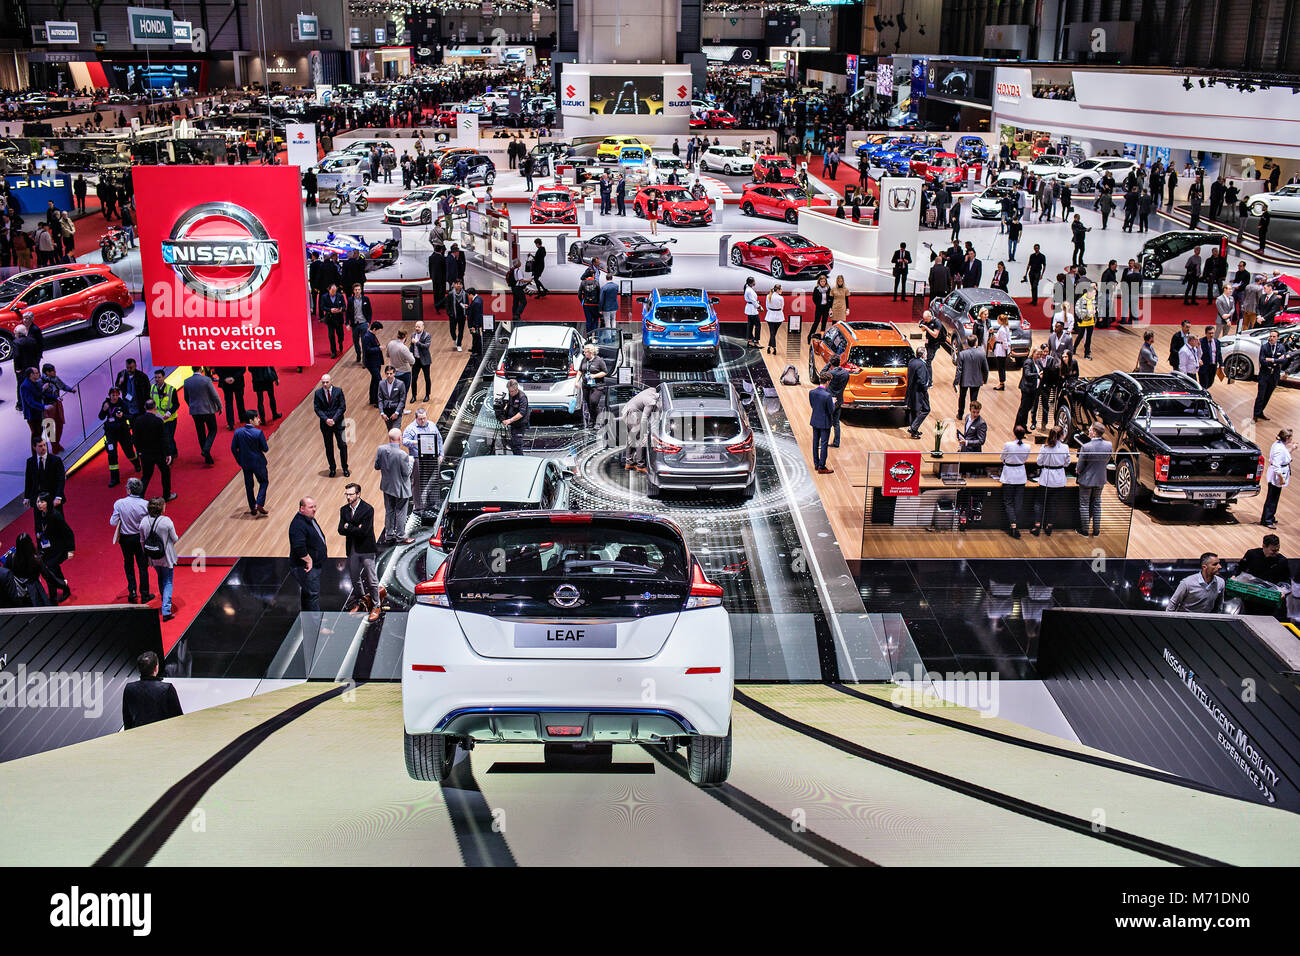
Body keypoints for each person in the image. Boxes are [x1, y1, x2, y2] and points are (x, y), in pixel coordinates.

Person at [339, 482, 382, 621]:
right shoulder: (343, 510)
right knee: (354, 578)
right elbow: (340, 529)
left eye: (351, 494)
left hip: (366, 548)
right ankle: (362, 600)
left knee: (372, 579)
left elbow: (364, 532)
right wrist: (354, 527)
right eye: (347, 494)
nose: (348, 497)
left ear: (358, 494)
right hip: (352, 549)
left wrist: (348, 526)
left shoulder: (368, 509)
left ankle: (376, 605)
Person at [110, 476, 152, 604]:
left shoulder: (119, 503)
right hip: (140, 538)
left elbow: (113, 522)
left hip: (125, 539)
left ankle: (132, 591)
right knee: (143, 566)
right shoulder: (146, 504)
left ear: (128, 490)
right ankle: (145, 594)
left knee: (128, 564)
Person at [121, 651, 184, 730]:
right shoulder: (167, 688)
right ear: (156, 668)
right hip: (162, 736)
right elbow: (178, 719)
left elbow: (127, 720)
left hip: (138, 737)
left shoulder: (129, 688)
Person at [139, 496, 178, 621]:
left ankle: (164, 598)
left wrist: (147, 553)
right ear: (161, 508)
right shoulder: (166, 521)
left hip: (153, 556)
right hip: (166, 556)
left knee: (160, 577)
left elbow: (142, 540)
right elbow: (175, 538)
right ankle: (166, 609)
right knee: (168, 580)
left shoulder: (144, 521)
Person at [374, 429, 415, 546]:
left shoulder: (381, 449)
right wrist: (411, 462)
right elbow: (406, 473)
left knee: (389, 510)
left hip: (387, 486)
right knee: (401, 512)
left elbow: (377, 466)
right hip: (400, 489)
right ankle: (401, 537)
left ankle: (389, 535)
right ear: (400, 438)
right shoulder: (402, 455)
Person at [288, 497, 328, 612]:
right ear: (302, 509)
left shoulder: (308, 519)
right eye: (311, 507)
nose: (314, 509)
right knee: (312, 595)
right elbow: (298, 546)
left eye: (315, 506)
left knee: (307, 595)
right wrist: (308, 560)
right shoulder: (298, 525)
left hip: (313, 565)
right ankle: (315, 628)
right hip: (305, 567)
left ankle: (309, 622)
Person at [1075, 422, 1113, 537]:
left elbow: (1079, 467)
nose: (1089, 431)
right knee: (1097, 504)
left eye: (1091, 429)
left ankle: (1085, 531)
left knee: (1084, 505)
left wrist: (1078, 471)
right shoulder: (1109, 445)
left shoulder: (1086, 447)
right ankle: (1096, 531)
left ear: (1095, 433)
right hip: (1100, 479)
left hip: (1086, 480)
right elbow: (1107, 460)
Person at [133, 399, 176, 501]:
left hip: (145, 453)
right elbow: (164, 438)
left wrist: (139, 451)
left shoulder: (138, 420)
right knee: (165, 472)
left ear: (145, 408)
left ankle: (140, 496)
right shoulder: (158, 421)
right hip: (159, 453)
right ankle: (167, 495)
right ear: (155, 407)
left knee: (146, 475)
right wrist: (168, 453)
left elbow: (135, 438)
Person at [34, 493, 73, 603]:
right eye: (37, 502)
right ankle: (63, 588)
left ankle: (54, 595)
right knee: (53, 570)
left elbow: (68, 532)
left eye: (42, 502)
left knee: (50, 569)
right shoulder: (41, 514)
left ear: (48, 502)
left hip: (57, 548)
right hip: (46, 548)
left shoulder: (55, 515)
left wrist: (71, 549)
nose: (39, 504)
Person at [1031, 427, 1069, 536]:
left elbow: (1039, 462)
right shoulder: (1065, 448)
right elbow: (1067, 463)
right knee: (1053, 504)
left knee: (1039, 503)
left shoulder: (1045, 447)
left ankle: (1037, 525)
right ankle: (1049, 526)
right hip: (1059, 480)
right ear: (1061, 435)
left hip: (1046, 479)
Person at [231, 410, 269, 517]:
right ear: (251, 420)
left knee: (249, 485)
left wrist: (240, 460)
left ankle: (252, 507)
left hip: (245, 464)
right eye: (257, 418)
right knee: (264, 482)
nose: (259, 419)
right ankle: (259, 503)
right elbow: (265, 448)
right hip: (258, 463)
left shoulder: (238, 432)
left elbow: (233, 448)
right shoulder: (258, 433)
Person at [312, 374, 349, 478]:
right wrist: (326, 419)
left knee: (342, 445)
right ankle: (332, 468)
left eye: (326, 382)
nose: (324, 384)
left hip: (338, 423)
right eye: (323, 382)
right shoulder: (318, 393)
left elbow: (342, 407)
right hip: (325, 424)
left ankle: (345, 468)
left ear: (331, 381)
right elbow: (317, 408)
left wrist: (334, 419)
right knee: (329, 447)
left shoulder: (338, 391)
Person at [183, 368, 222, 465]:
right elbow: (215, 395)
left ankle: (207, 457)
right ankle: (206, 449)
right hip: (207, 410)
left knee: (201, 433)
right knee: (213, 430)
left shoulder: (187, 381)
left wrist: (192, 406)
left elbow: (186, 398)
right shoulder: (206, 380)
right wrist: (220, 406)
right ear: (201, 369)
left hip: (195, 412)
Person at [999, 425, 1031, 538]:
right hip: (1021, 476)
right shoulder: (1027, 447)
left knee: (1008, 502)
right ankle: (1015, 523)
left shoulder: (1008, 445)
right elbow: (1026, 459)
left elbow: (1001, 457)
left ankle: (1013, 524)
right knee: (1018, 502)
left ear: (1014, 434)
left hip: (1009, 476)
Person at [1260, 428, 1294, 529]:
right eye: (1291, 437)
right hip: (1277, 475)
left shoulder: (1279, 445)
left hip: (1278, 473)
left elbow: (1284, 455)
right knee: (1272, 498)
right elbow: (1276, 465)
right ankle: (1267, 520)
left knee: (1274, 497)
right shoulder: (1279, 449)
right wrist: (1281, 478)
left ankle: (1270, 516)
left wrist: (1292, 449)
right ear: (1287, 438)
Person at [1255, 329, 1289, 422]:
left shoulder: (1281, 347)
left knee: (1267, 395)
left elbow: (1285, 360)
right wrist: (1276, 361)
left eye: (1274, 336)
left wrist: (1272, 360)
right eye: (1270, 336)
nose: (1271, 338)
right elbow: (1262, 360)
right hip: (1264, 375)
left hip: (1274, 376)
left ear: (1277, 338)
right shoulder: (1264, 347)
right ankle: (1256, 415)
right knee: (1261, 395)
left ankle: (1260, 412)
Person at [621, 387, 658, 471]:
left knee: (631, 438)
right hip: (633, 414)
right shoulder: (651, 402)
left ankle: (629, 463)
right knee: (640, 439)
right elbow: (644, 418)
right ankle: (640, 465)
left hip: (626, 411)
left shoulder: (652, 390)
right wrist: (645, 434)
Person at [954, 335, 988, 420]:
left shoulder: (962, 354)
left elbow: (959, 370)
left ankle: (960, 414)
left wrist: (956, 381)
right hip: (976, 380)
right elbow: (986, 369)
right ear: (976, 342)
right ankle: (973, 416)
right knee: (974, 399)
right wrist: (985, 379)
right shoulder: (982, 354)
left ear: (968, 343)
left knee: (962, 397)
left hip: (964, 379)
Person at [809, 372, 835, 474]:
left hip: (815, 420)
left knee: (815, 442)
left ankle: (816, 464)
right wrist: (833, 402)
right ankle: (822, 466)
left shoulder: (812, 392)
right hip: (824, 423)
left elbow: (813, 405)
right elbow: (830, 410)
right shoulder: (828, 396)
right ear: (828, 381)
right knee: (824, 444)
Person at [579, 343, 608, 429]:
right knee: (588, 403)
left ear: (591, 352)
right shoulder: (584, 360)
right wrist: (577, 381)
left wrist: (594, 376)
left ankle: (598, 421)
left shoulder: (599, 361)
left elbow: (605, 372)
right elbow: (580, 371)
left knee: (593, 402)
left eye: (585, 352)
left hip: (597, 385)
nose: (584, 353)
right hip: (586, 385)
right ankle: (592, 420)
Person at [904, 348, 931, 440]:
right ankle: (913, 428)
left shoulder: (912, 361)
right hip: (919, 392)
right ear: (923, 355)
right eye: (926, 353)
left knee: (914, 410)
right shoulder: (921, 365)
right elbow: (921, 380)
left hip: (911, 390)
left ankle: (914, 431)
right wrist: (925, 389)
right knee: (926, 409)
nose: (927, 355)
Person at [1015, 345, 1044, 431]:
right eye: (1037, 354)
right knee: (1023, 410)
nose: (1039, 356)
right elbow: (1027, 374)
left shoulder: (1038, 362)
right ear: (1033, 353)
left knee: (1027, 409)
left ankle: (1023, 427)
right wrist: (1038, 375)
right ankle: (1017, 428)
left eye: (1040, 354)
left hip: (1034, 389)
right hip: (1027, 389)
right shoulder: (1028, 362)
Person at [500, 379, 530, 455]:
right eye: (509, 391)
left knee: (517, 445)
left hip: (520, 424)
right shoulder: (511, 394)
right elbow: (510, 405)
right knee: (513, 444)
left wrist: (509, 420)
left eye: (512, 391)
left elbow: (521, 413)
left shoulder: (522, 397)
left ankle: (520, 460)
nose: (510, 393)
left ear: (516, 389)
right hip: (513, 423)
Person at [214, 366, 247, 431]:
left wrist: (225, 378)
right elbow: (243, 369)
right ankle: (242, 418)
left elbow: (217, 369)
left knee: (229, 403)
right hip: (238, 381)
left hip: (226, 383)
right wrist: (234, 377)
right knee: (240, 400)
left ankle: (230, 423)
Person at [378, 365, 407, 431]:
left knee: (396, 431)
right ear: (385, 373)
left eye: (391, 373)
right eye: (387, 373)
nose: (389, 375)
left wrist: (397, 412)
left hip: (396, 410)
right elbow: (380, 399)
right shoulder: (381, 384)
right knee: (390, 430)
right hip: (386, 411)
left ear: (394, 373)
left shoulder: (400, 384)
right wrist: (382, 413)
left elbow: (402, 400)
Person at [991, 313, 1011, 390]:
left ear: (1000, 320)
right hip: (1003, 349)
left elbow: (1004, 341)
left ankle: (1001, 383)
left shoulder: (1002, 330)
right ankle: (1002, 382)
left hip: (1001, 350)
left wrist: (1006, 349)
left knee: (1001, 368)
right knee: (1001, 367)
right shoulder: (1005, 328)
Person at [764, 284, 784, 354]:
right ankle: (774, 348)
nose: (782, 291)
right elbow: (782, 308)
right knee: (773, 333)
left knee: (772, 333)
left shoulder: (768, 296)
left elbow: (767, 306)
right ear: (778, 290)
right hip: (778, 317)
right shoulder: (780, 298)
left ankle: (769, 347)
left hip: (770, 316)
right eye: (781, 289)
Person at [743, 276, 762, 348]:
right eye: (754, 281)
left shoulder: (748, 288)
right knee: (758, 325)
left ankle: (750, 341)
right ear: (751, 283)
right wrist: (759, 307)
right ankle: (756, 341)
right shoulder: (749, 290)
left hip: (750, 309)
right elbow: (753, 300)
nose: (755, 282)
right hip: (752, 309)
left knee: (750, 325)